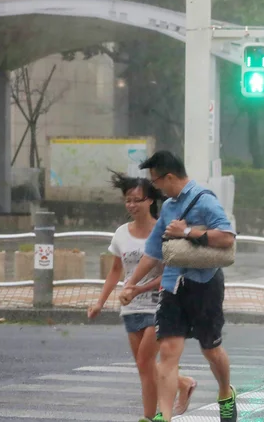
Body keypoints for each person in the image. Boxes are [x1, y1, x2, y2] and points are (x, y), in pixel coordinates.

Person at [119, 151, 237, 422]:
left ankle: (225, 392)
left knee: (211, 349)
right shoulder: (170, 207)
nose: (156, 188)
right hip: (172, 286)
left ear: (169, 177)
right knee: (169, 352)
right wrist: (131, 284)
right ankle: (165, 416)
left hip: (204, 284)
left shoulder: (205, 200)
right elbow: (153, 251)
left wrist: (186, 232)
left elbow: (227, 238)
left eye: (157, 182)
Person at [88, 171, 197, 422]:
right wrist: (100, 302)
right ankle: (181, 383)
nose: (132, 205)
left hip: (159, 305)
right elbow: (116, 270)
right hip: (130, 307)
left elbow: (171, 272)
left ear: (150, 201)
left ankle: (150, 417)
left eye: (137, 199)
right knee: (143, 366)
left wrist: (139, 288)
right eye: (128, 199)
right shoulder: (121, 234)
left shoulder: (163, 231)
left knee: (145, 360)